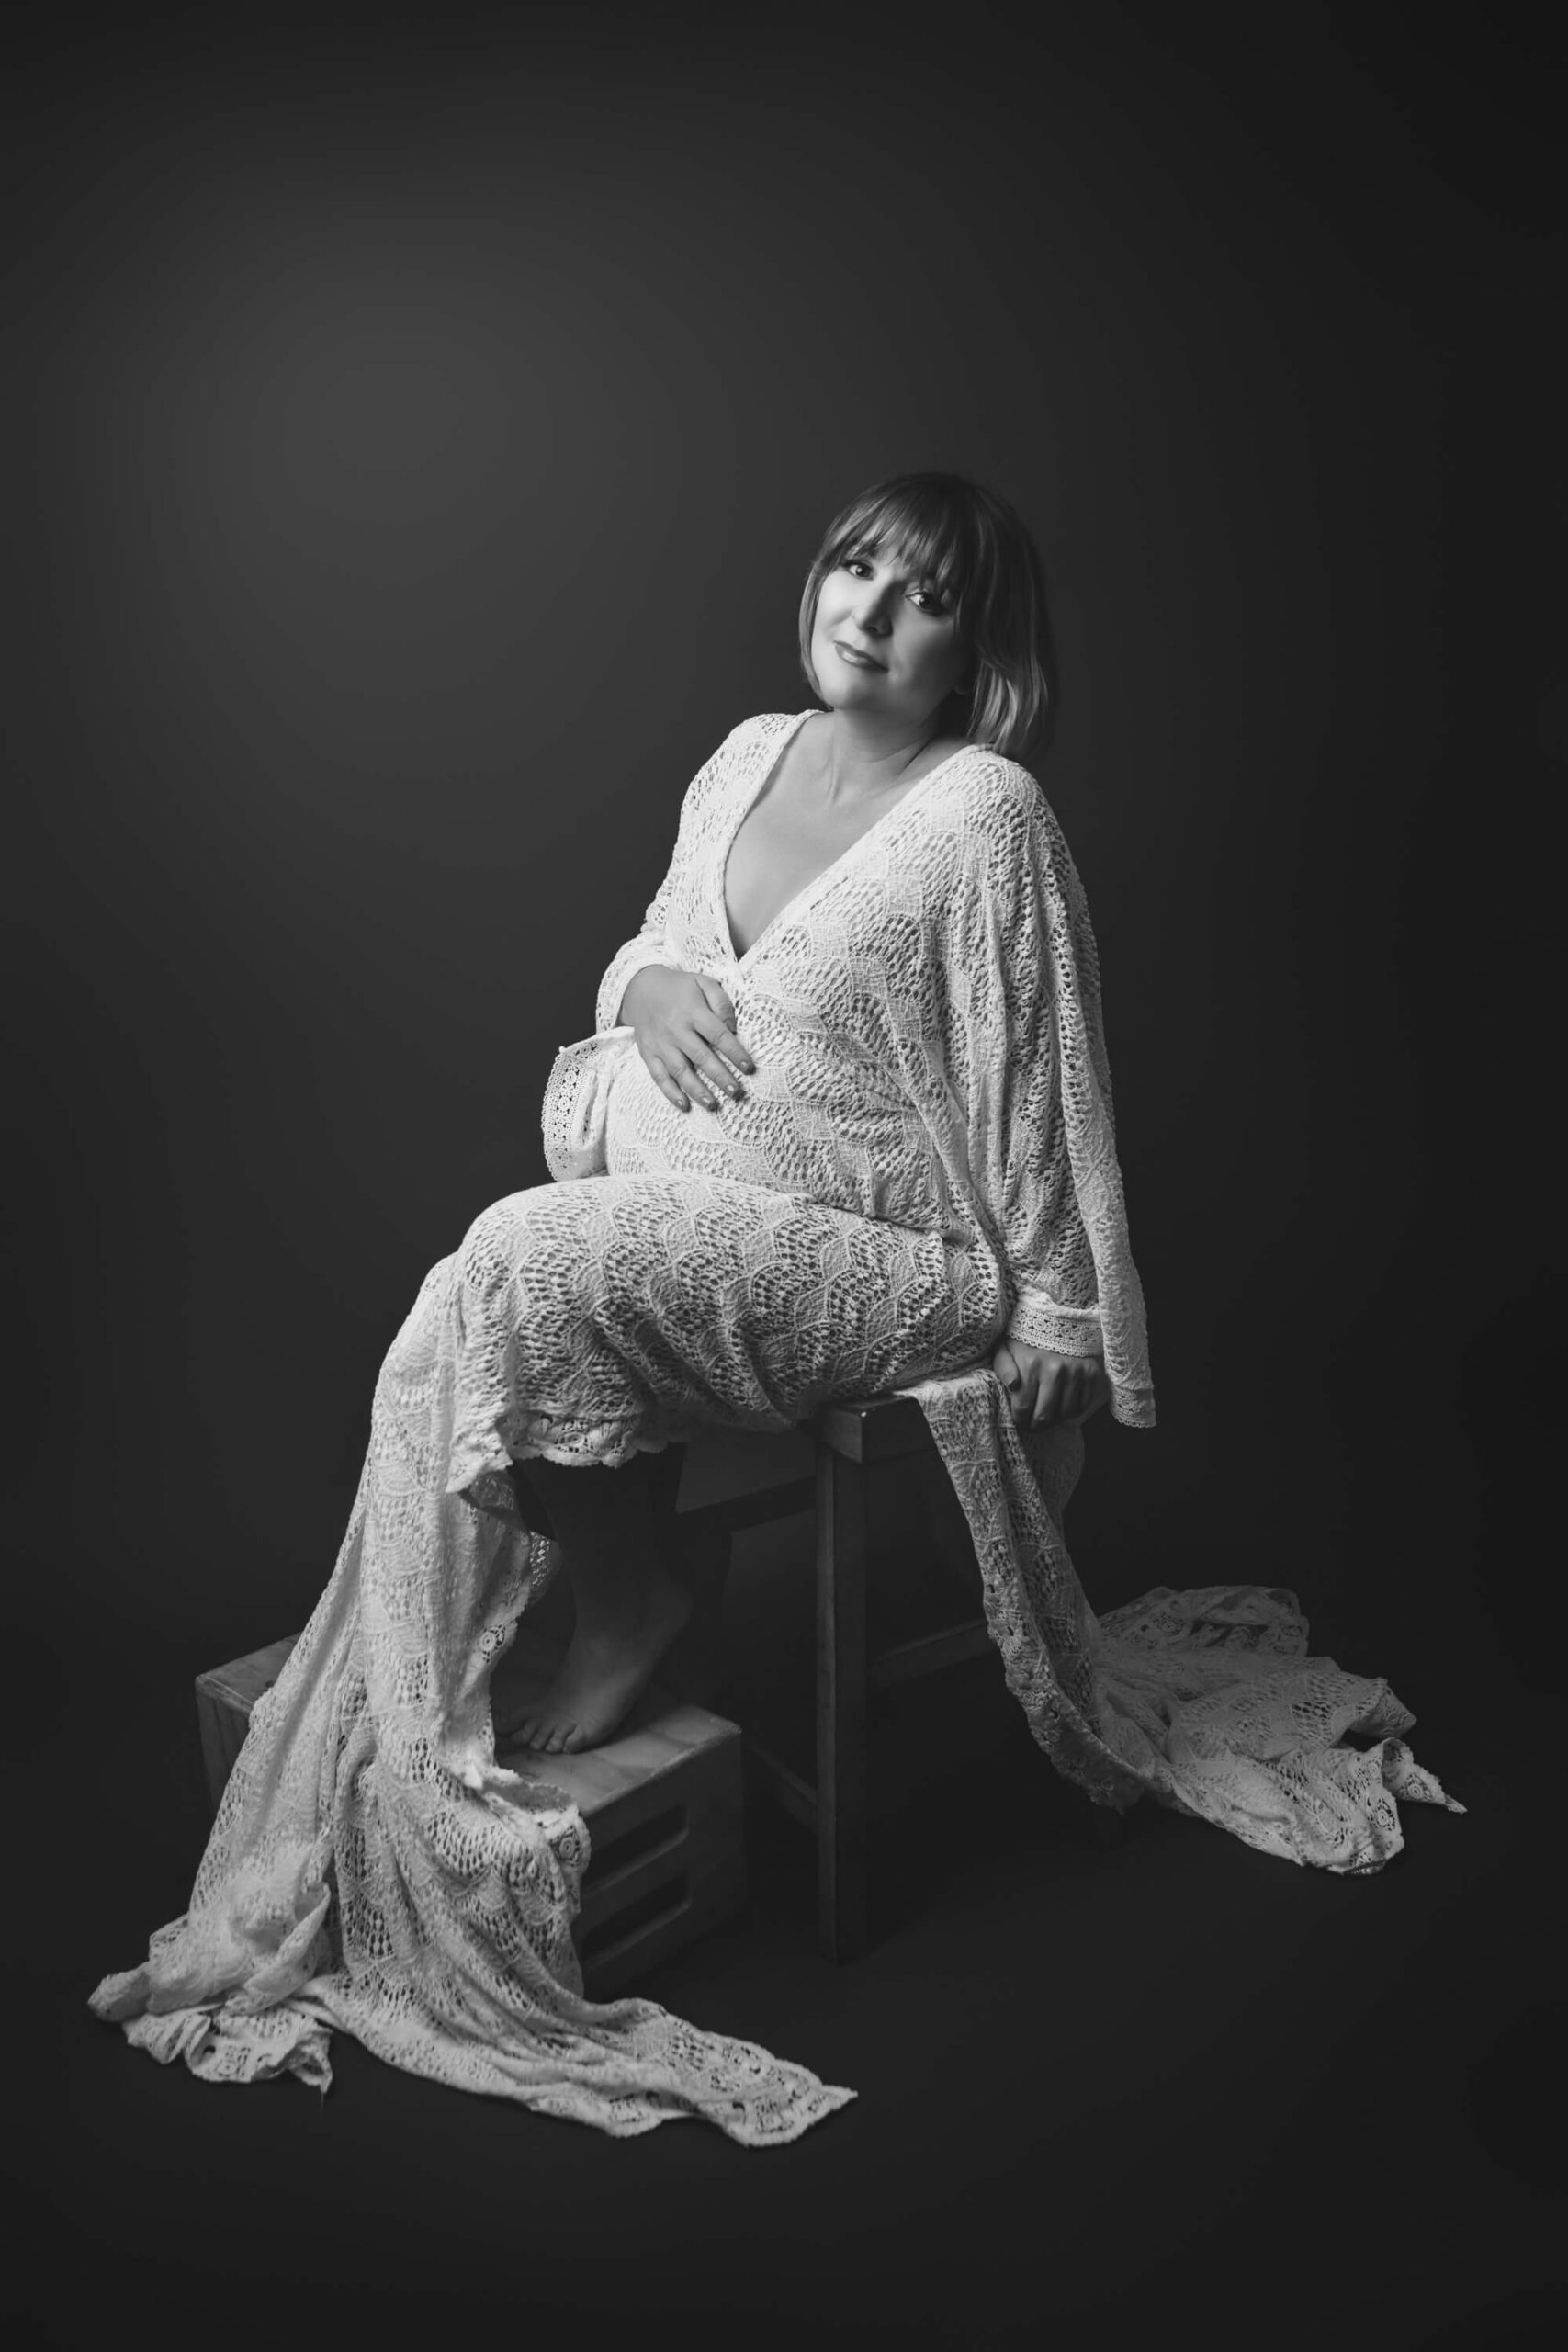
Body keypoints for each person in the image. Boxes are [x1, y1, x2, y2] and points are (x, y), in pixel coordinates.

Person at [91, 473, 1462, 2147]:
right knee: (487, 1281)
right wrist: (647, 987)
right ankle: (628, 1577)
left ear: (983, 649)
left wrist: (1052, 1314)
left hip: (887, 1260)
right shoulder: (744, 753)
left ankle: (636, 1597)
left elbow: (1039, 1074)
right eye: (856, 567)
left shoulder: (988, 813)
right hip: (698, 1232)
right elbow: (659, 952)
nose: (871, 611)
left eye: (926, 595)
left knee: (508, 1263)